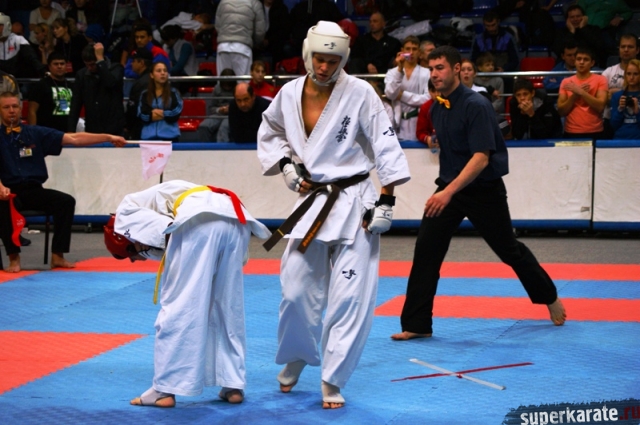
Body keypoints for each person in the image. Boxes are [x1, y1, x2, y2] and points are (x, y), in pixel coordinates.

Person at [257, 21, 410, 409]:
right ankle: (297, 355)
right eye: (319, 59)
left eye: (333, 61)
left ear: (344, 60)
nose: (325, 67)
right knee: (294, 290)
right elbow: (271, 130)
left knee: (350, 298)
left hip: (356, 202)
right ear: (307, 55)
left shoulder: (360, 92)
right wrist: (287, 166)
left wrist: (386, 201)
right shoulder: (289, 93)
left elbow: (385, 144)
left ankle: (332, 377)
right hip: (313, 202)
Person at [390, 45, 566, 342]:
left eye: (440, 67)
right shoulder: (436, 108)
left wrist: (447, 192)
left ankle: (548, 296)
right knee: (426, 251)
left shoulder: (476, 105)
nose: (434, 74)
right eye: (431, 69)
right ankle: (417, 323)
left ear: (457, 69)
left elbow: (481, 158)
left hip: (483, 189)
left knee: (509, 250)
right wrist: (447, 188)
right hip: (451, 186)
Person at [104, 180, 270, 408]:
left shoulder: (126, 212)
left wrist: (174, 233)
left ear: (127, 239)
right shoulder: (166, 199)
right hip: (236, 222)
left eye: (134, 255)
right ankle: (233, 385)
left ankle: (164, 390)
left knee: (178, 307)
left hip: (199, 223)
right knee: (227, 307)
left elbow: (167, 231)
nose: (139, 259)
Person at [0, 91, 126, 273]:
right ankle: (14, 258)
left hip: (34, 190)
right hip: (7, 191)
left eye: (15, 106)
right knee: (3, 204)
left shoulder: (35, 133)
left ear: (21, 109)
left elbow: (74, 138)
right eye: (6, 107)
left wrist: (108, 137)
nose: (11, 110)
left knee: (65, 202)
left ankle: (58, 255)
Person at [69, 42, 125, 135]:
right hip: (92, 128)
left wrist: (100, 61)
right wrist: (71, 130)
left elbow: (110, 83)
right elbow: (75, 104)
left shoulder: (116, 69)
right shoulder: (81, 75)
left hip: (114, 128)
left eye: (92, 64)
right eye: (86, 65)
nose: (89, 68)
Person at [384, 35, 431, 141]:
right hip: (397, 122)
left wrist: (402, 96)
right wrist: (399, 70)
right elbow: (390, 94)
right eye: (408, 49)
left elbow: (428, 99)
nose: (411, 52)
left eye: (414, 49)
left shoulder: (427, 73)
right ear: (402, 51)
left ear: (419, 52)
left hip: (418, 121)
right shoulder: (392, 73)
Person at [557, 47, 608, 138]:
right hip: (571, 131)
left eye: (586, 59)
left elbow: (600, 107)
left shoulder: (601, 79)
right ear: (575, 62)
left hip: (595, 131)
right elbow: (561, 111)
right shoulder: (566, 82)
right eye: (579, 59)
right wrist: (575, 95)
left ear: (592, 63)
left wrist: (582, 92)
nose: (581, 62)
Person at [215, 0, 266, 77]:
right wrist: (255, 43)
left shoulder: (223, 2)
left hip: (223, 46)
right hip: (242, 48)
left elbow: (217, 26)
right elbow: (260, 31)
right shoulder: (255, 3)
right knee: (242, 82)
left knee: (223, 81)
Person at [602, 34, 640, 137]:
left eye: (630, 47)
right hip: (613, 124)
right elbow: (602, 100)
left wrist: (614, 91)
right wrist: (619, 107)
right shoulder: (608, 72)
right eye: (623, 46)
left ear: (637, 50)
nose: (626, 50)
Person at [28, 51, 72, 132]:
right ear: (49, 67)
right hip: (45, 132)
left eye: (62, 64)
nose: (59, 66)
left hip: (67, 132)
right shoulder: (41, 85)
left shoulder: (71, 86)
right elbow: (32, 111)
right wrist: (33, 132)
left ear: (66, 66)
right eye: (56, 64)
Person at [138, 62, 183, 142]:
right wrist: (165, 115)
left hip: (170, 137)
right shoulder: (144, 94)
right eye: (159, 71)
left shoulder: (174, 92)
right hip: (148, 138)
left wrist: (159, 113)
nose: (163, 73)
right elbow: (143, 115)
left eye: (165, 71)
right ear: (151, 75)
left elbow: (176, 113)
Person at [0, 13, 46, 79]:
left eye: (0, 25)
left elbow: (32, 59)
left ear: (7, 26)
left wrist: (44, 72)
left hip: (18, 79)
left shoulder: (19, 40)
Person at [197, 68, 236, 142]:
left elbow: (242, 107)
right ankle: (205, 148)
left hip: (232, 115)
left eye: (229, 86)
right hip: (218, 114)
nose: (227, 88)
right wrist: (219, 110)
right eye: (225, 85)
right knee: (203, 126)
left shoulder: (238, 89)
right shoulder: (217, 89)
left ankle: (222, 149)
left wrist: (231, 109)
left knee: (223, 128)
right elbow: (211, 107)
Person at [125, 48, 152, 140]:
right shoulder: (153, 79)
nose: (131, 64)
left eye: (134, 61)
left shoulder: (140, 83)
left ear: (142, 63)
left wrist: (128, 126)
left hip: (140, 127)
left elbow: (133, 109)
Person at [610, 58, 640, 139]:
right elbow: (613, 125)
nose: (631, 77)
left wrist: (637, 112)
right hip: (620, 138)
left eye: (636, 74)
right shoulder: (617, 96)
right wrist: (620, 109)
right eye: (628, 74)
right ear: (625, 75)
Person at [415, 79, 438, 146]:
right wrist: (427, 139)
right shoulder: (425, 108)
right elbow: (420, 133)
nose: (437, 94)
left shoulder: (452, 105)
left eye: (439, 90)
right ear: (429, 92)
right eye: (433, 91)